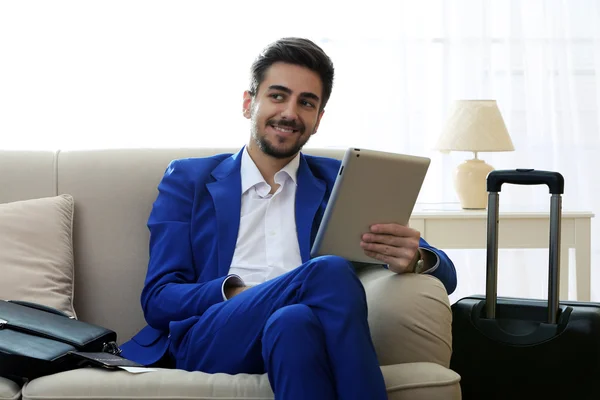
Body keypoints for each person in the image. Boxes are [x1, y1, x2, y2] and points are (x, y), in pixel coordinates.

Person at [120, 37, 457, 399]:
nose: (290, 113)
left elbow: (447, 274)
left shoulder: (338, 182)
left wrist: (417, 258)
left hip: (299, 330)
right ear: (249, 103)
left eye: (306, 102)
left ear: (318, 120)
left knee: (293, 322)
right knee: (327, 272)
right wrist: (235, 291)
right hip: (213, 334)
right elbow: (158, 299)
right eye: (278, 96)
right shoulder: (189, 180)